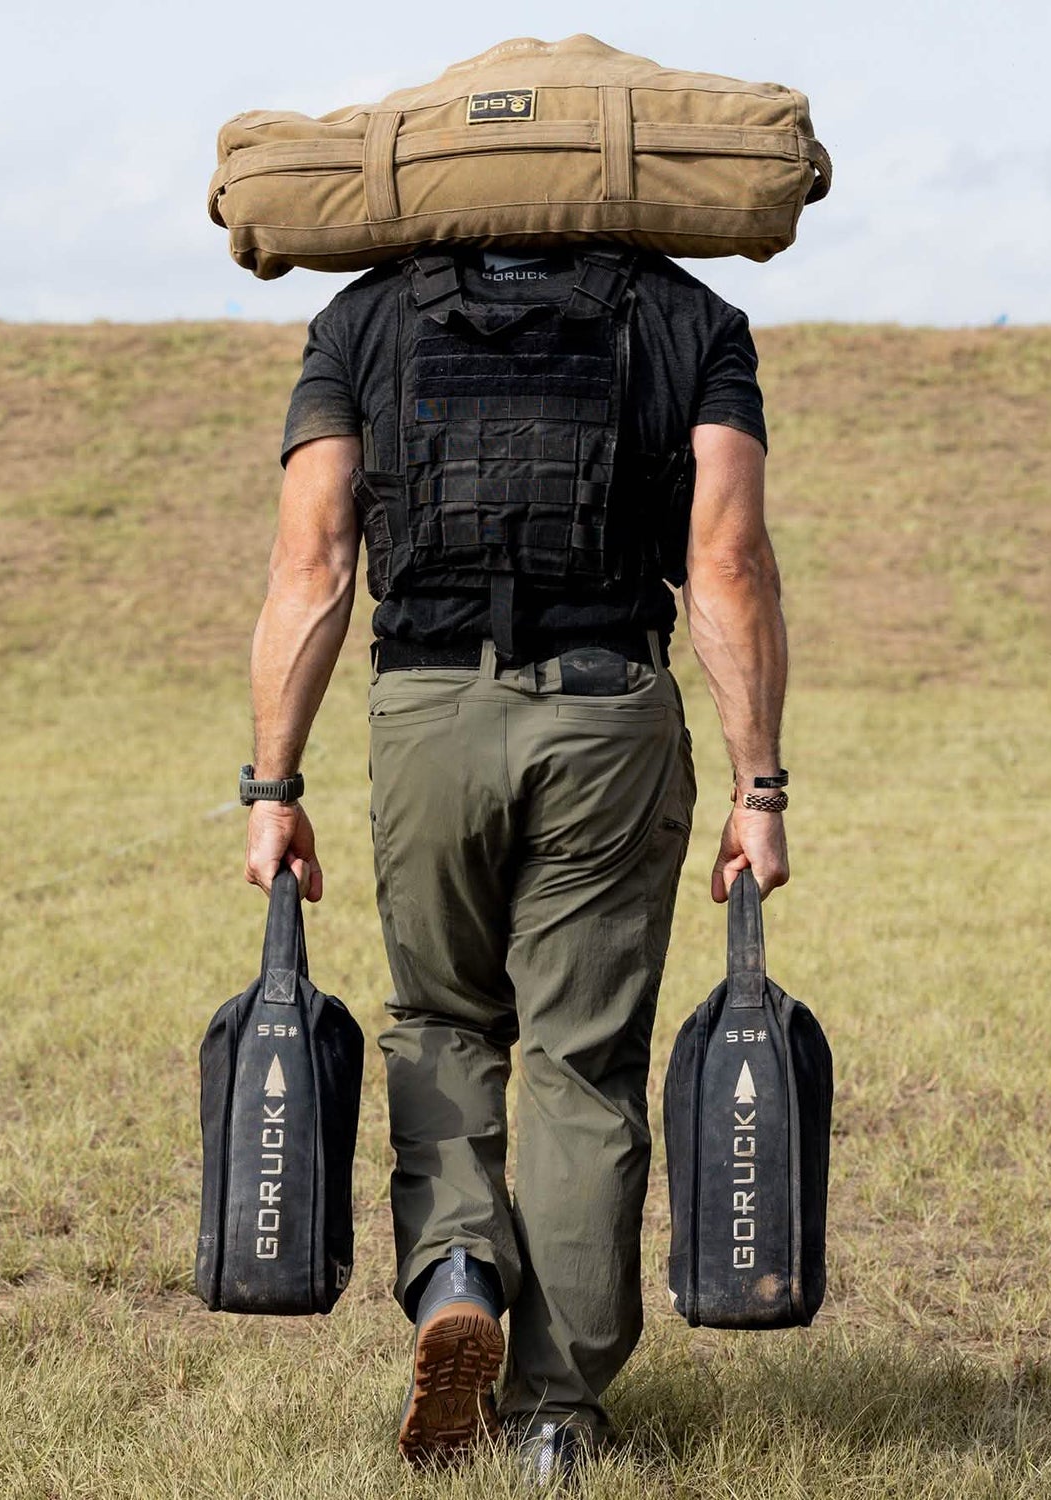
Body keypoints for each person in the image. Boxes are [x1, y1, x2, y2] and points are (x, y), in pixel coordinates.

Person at [241, 243, 788, 1485]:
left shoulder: (363, 318)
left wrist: (273, 787)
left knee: (440, 1021)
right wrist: (760, 788)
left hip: (426, 718)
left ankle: (454, 1273)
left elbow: (313, 564)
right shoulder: (694, 318)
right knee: (581, 1063)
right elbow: (727, 563)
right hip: (609, 719)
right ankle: (558, 1414)